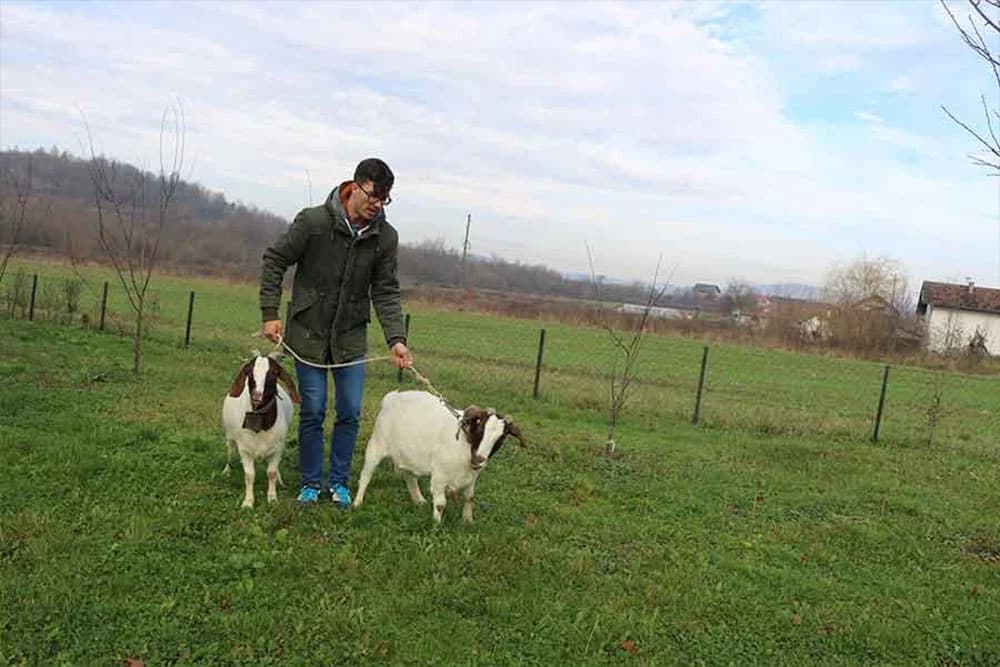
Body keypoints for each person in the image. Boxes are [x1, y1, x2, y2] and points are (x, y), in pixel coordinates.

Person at [259, 158, 412, 507]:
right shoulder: (313, 222)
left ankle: (339, 483)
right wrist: (270, 313)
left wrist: (396, 339)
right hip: (308, 333)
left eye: (385, 199)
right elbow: (274, 259)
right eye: (373, 195)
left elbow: (385, 290)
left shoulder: (384, 237)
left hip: (350, 339)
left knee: (350, 411)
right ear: (355, 186)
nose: (377, 204)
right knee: (313, 409)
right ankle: (311, 483)